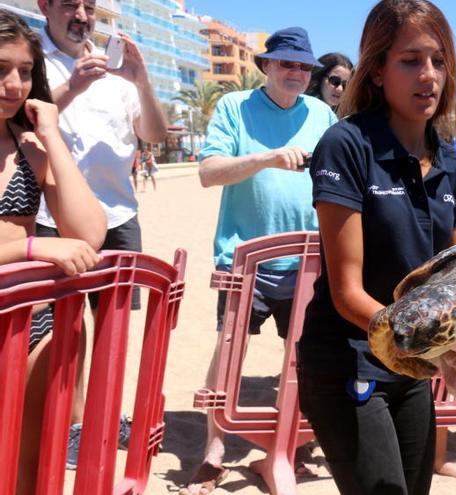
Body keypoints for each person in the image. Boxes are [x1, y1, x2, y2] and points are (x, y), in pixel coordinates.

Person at [298, 1, 456, 493]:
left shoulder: (450, 161)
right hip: (350, 355)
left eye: (438, 60)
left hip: (411, 362)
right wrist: (432, 345)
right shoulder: (346, 145)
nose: (428, 75)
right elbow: (347, 294)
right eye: (410, 60)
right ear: (379, 69)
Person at [181, 26, 338, 495]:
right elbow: (209, 172)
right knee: (230, 351)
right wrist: (267, 158)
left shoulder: (323, 113)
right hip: (245, 259)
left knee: (306, 358)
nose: (296, 73)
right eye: (287, 63)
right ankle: (213, 446)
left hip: (308, 261)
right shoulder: (234, 107)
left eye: (304, 67)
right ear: (267, 66)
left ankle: (293, 445)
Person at [33, 0, 167, 468]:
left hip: (118, 216)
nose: (83, 15)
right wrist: (72, 85)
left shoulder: (117, 68)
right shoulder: (29, 58)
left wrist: (141, 79)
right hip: (54, 217)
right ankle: (71, 426)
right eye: (71, 4)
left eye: (90, 6)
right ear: (45, 6)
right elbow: (23, 121)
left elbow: (152, 132)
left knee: (113, 326)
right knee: (62, 331)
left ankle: (103, 417)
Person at [0, 9, 105, 494]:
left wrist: (51, 135)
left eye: (24, 71)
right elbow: (48, 241)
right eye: (1, 68)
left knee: (28, 466)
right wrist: (34, 244)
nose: (15, 84)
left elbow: (88, 233)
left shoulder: (27, 148)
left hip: (31, 326)